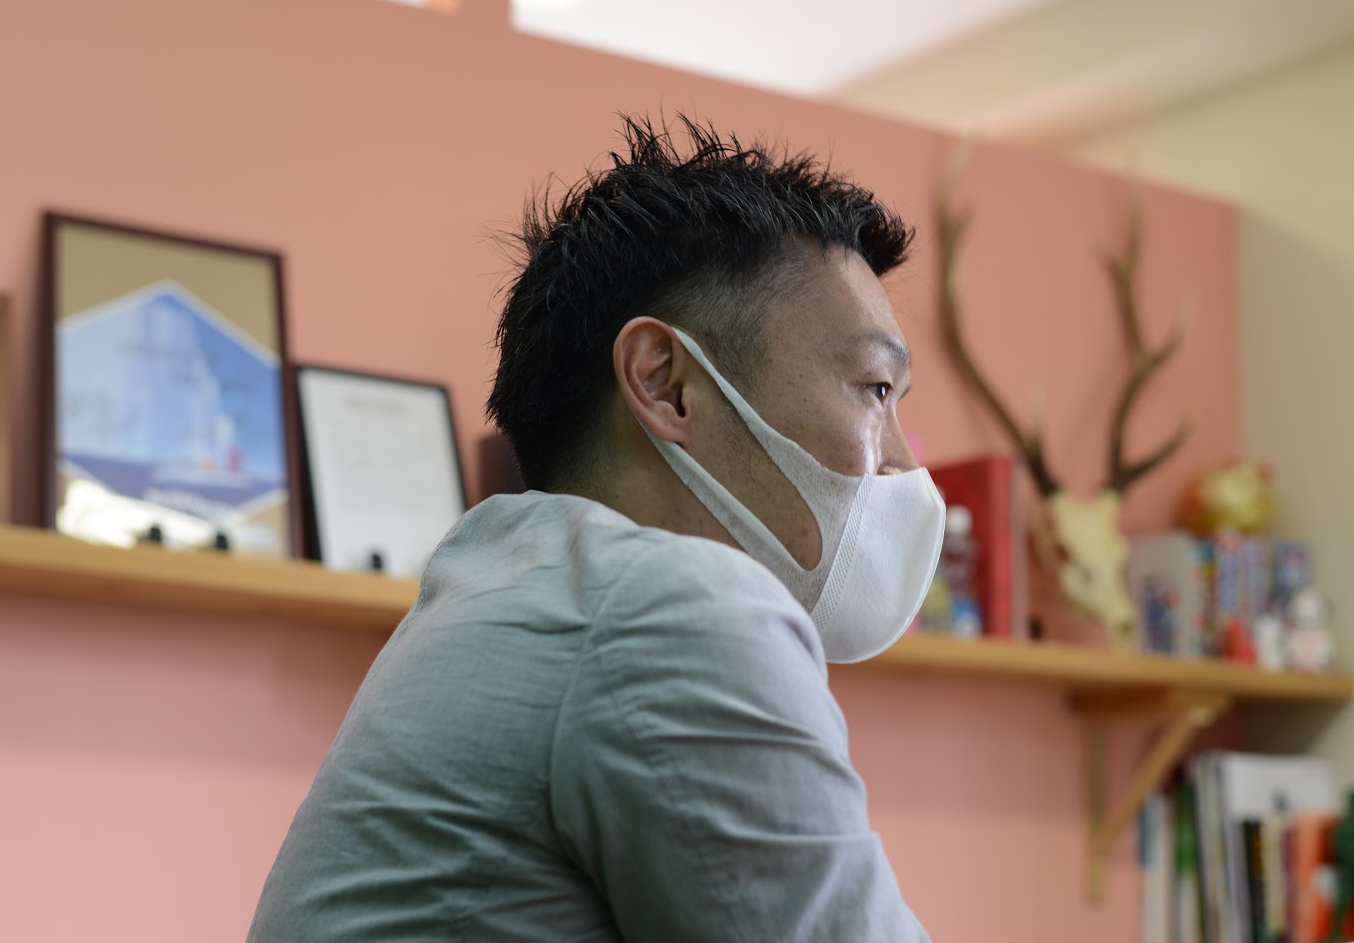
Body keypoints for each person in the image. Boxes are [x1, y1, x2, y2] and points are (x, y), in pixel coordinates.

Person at [248, 115, 940, 941]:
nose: (901, 461)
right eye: (874, 389)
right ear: (666, 383)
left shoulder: (504, 588)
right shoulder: (670, 609)